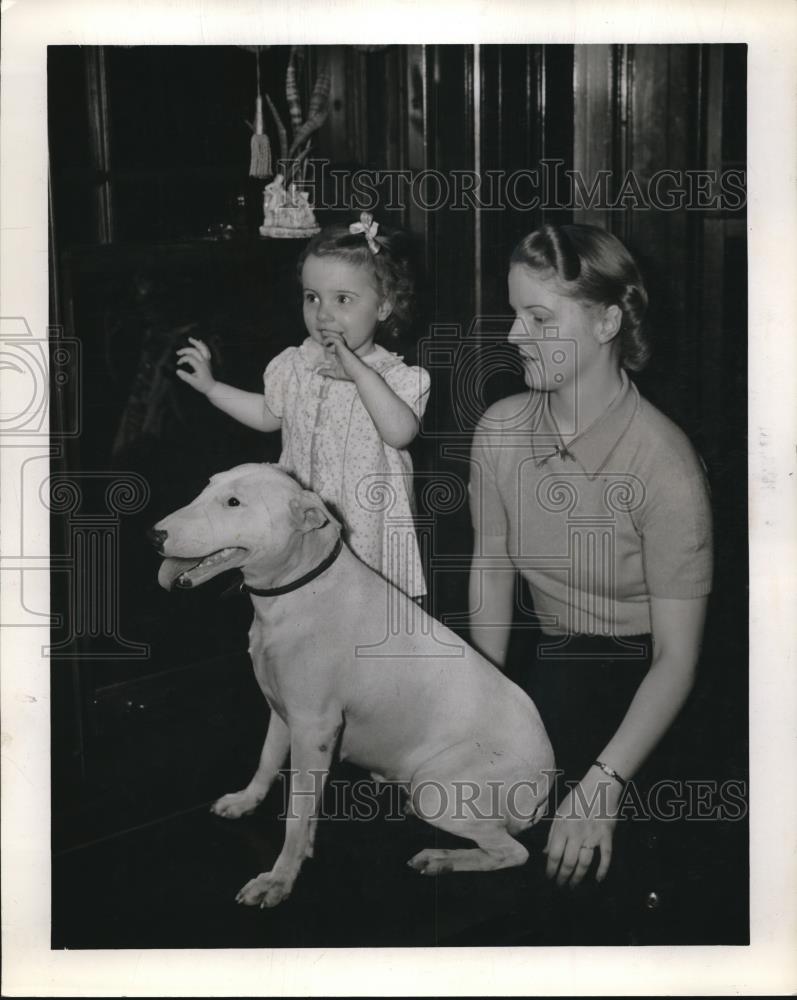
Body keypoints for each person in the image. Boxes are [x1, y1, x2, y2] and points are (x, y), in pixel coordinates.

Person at [468, 223, 712, 929]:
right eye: (515, 314)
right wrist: (487, 703)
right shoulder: (500, 430)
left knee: (580, 868)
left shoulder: (664, 464)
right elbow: (489, 567)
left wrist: (601, 786)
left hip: (647, 678)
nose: (515, 335)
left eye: (540, 318)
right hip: (552, 661)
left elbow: (678, 658)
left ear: (608, 320)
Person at [176, 212, 430, 598]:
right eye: (312, 297)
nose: (323, 314)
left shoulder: (394, 376)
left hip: (365, 528)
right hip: (300, 521)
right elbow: (267, 415)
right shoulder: (296, 363)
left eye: (343, 299)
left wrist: (360, 375)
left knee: (359, 613)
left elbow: (400, 432)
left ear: (384, 306)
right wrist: (213, 388)